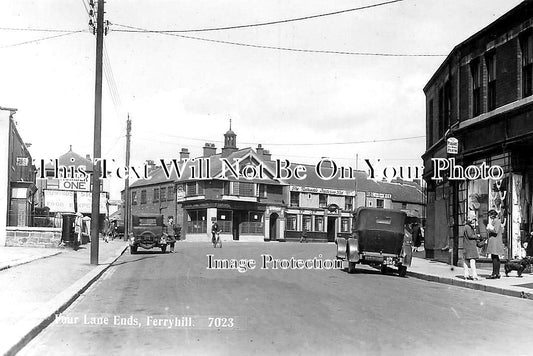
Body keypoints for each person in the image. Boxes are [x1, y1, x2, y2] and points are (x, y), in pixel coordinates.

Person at [485, 209, 504, 279]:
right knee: (495, 257)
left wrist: (489, 229)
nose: (490, 217)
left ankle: (494, 273)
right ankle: (497, 273)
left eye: (490, 215)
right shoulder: (496, 221)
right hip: (495, 241)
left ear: (493, 215)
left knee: (494, 258)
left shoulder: (497, 221)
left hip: (495, 241)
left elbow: (495, 231)